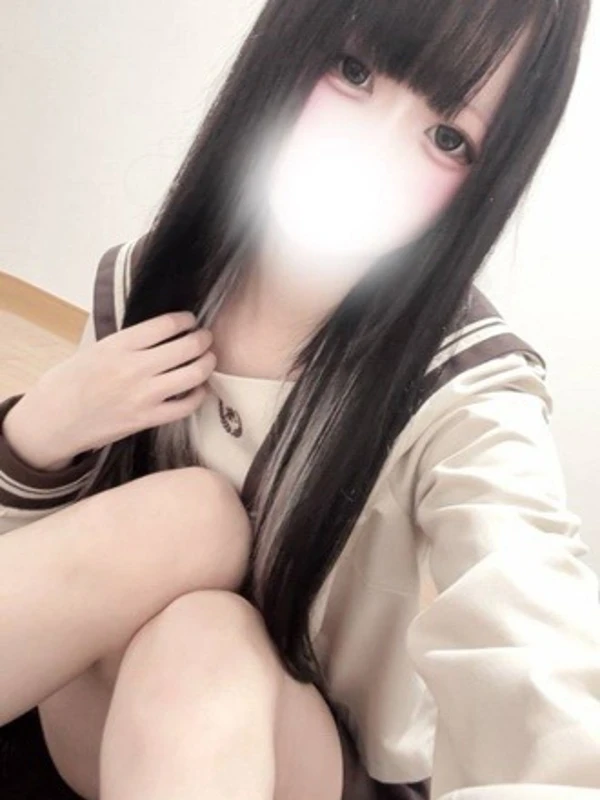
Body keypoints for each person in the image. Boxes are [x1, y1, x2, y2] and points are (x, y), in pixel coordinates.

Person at [1, 0, 599, 798]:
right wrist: (37, 435)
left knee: (204, 635)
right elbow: (45, 580)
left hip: (299, 762)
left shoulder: (465, 390)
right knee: (192, 516)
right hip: (90, 723)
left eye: (448, 137)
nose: (370, 154)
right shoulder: (146, 282)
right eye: (353, 71)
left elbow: (527, 603)